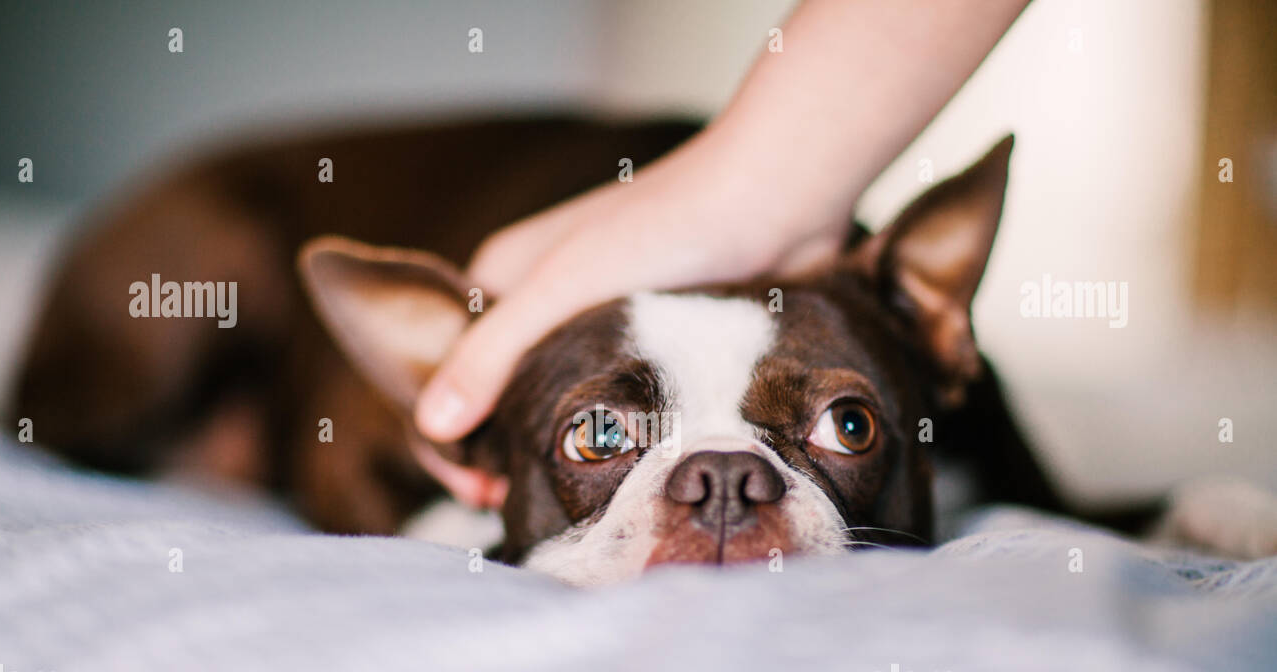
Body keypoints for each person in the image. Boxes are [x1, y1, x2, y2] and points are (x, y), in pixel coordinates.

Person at [416, 0, 1030, 505]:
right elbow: (350, 448)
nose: (723, 490)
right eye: (601, 437)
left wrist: (751, 186)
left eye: (848, 428)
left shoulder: (885, 324)